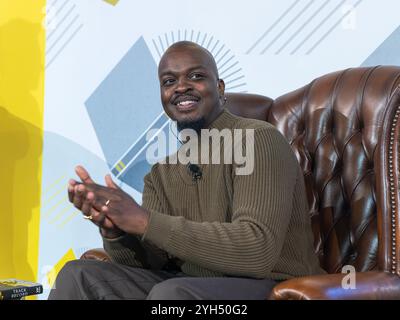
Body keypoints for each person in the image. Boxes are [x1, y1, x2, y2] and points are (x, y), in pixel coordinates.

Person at [48, 41, 323, 300]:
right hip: (190, 286)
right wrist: (116, 232)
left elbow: (257, 250)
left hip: (273, 286)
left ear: (221, 87)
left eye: (195, 77)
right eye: (169, 81)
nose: (181, 87)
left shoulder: (258, 139)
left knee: (172, 295)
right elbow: (152, 263)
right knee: (78, 276)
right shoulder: (160, 173)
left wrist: (145, 220)